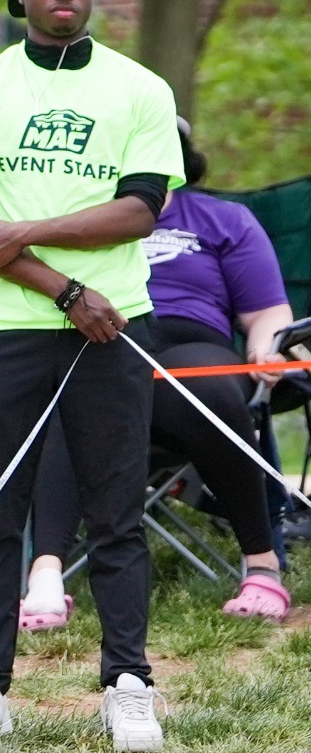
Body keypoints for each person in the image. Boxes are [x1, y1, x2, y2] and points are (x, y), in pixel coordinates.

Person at [0, 0, 184, 753]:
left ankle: (127, 682)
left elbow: (140, 207)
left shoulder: (141, 89)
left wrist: (25, 231)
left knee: (116, 512)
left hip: (113, 330)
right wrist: (65, 286)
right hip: (6, 327)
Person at [22, 121, 297, 626]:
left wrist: (266, 349)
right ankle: (45, 575)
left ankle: (262, 566)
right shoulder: (81, 218)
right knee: (69, 391)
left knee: (208, 388)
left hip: (192, 344)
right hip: (104, 341)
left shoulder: (223, 218)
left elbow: (266, 313)